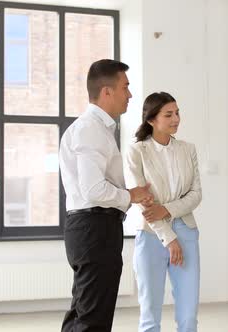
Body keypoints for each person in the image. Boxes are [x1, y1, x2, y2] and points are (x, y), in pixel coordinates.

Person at [59, 59, 153, 332]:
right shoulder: (91, 129)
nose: (130, 94)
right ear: (107, 92)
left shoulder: (91, 128)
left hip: (90, 228)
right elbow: (94, 190)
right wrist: (131, 195)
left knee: (82, 313)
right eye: (125, 87)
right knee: (93, 320)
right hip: (94, 228)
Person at [125, 92, 202, 332]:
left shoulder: (188, 149)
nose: (176, 119)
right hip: (150, 235)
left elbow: (196, 194)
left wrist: (165, 209)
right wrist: (169, 238)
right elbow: (142, 201)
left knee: (188, 316)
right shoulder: (136, 151)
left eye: (177, 113)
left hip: (187, 231)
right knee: (150, 316)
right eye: (168, 114)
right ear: (151, 120)